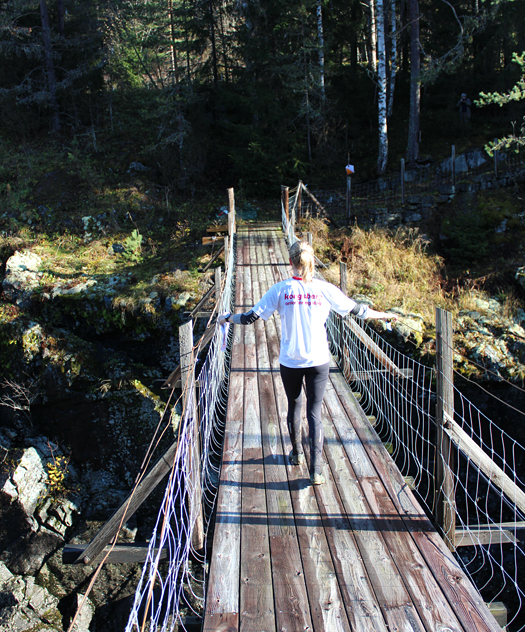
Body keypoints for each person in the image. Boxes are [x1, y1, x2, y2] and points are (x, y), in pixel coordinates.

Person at [218, 240, 397, 485]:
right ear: (311, 260)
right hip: (319, 360)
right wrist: (386, 314)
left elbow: (250, 318)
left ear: (290, 262)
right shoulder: (326, 289)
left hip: (290, 361)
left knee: (294, 405)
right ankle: (317, 471)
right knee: (314, 412)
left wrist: (227, 317)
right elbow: (359, 311)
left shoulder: (280, 290)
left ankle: (296, 454)